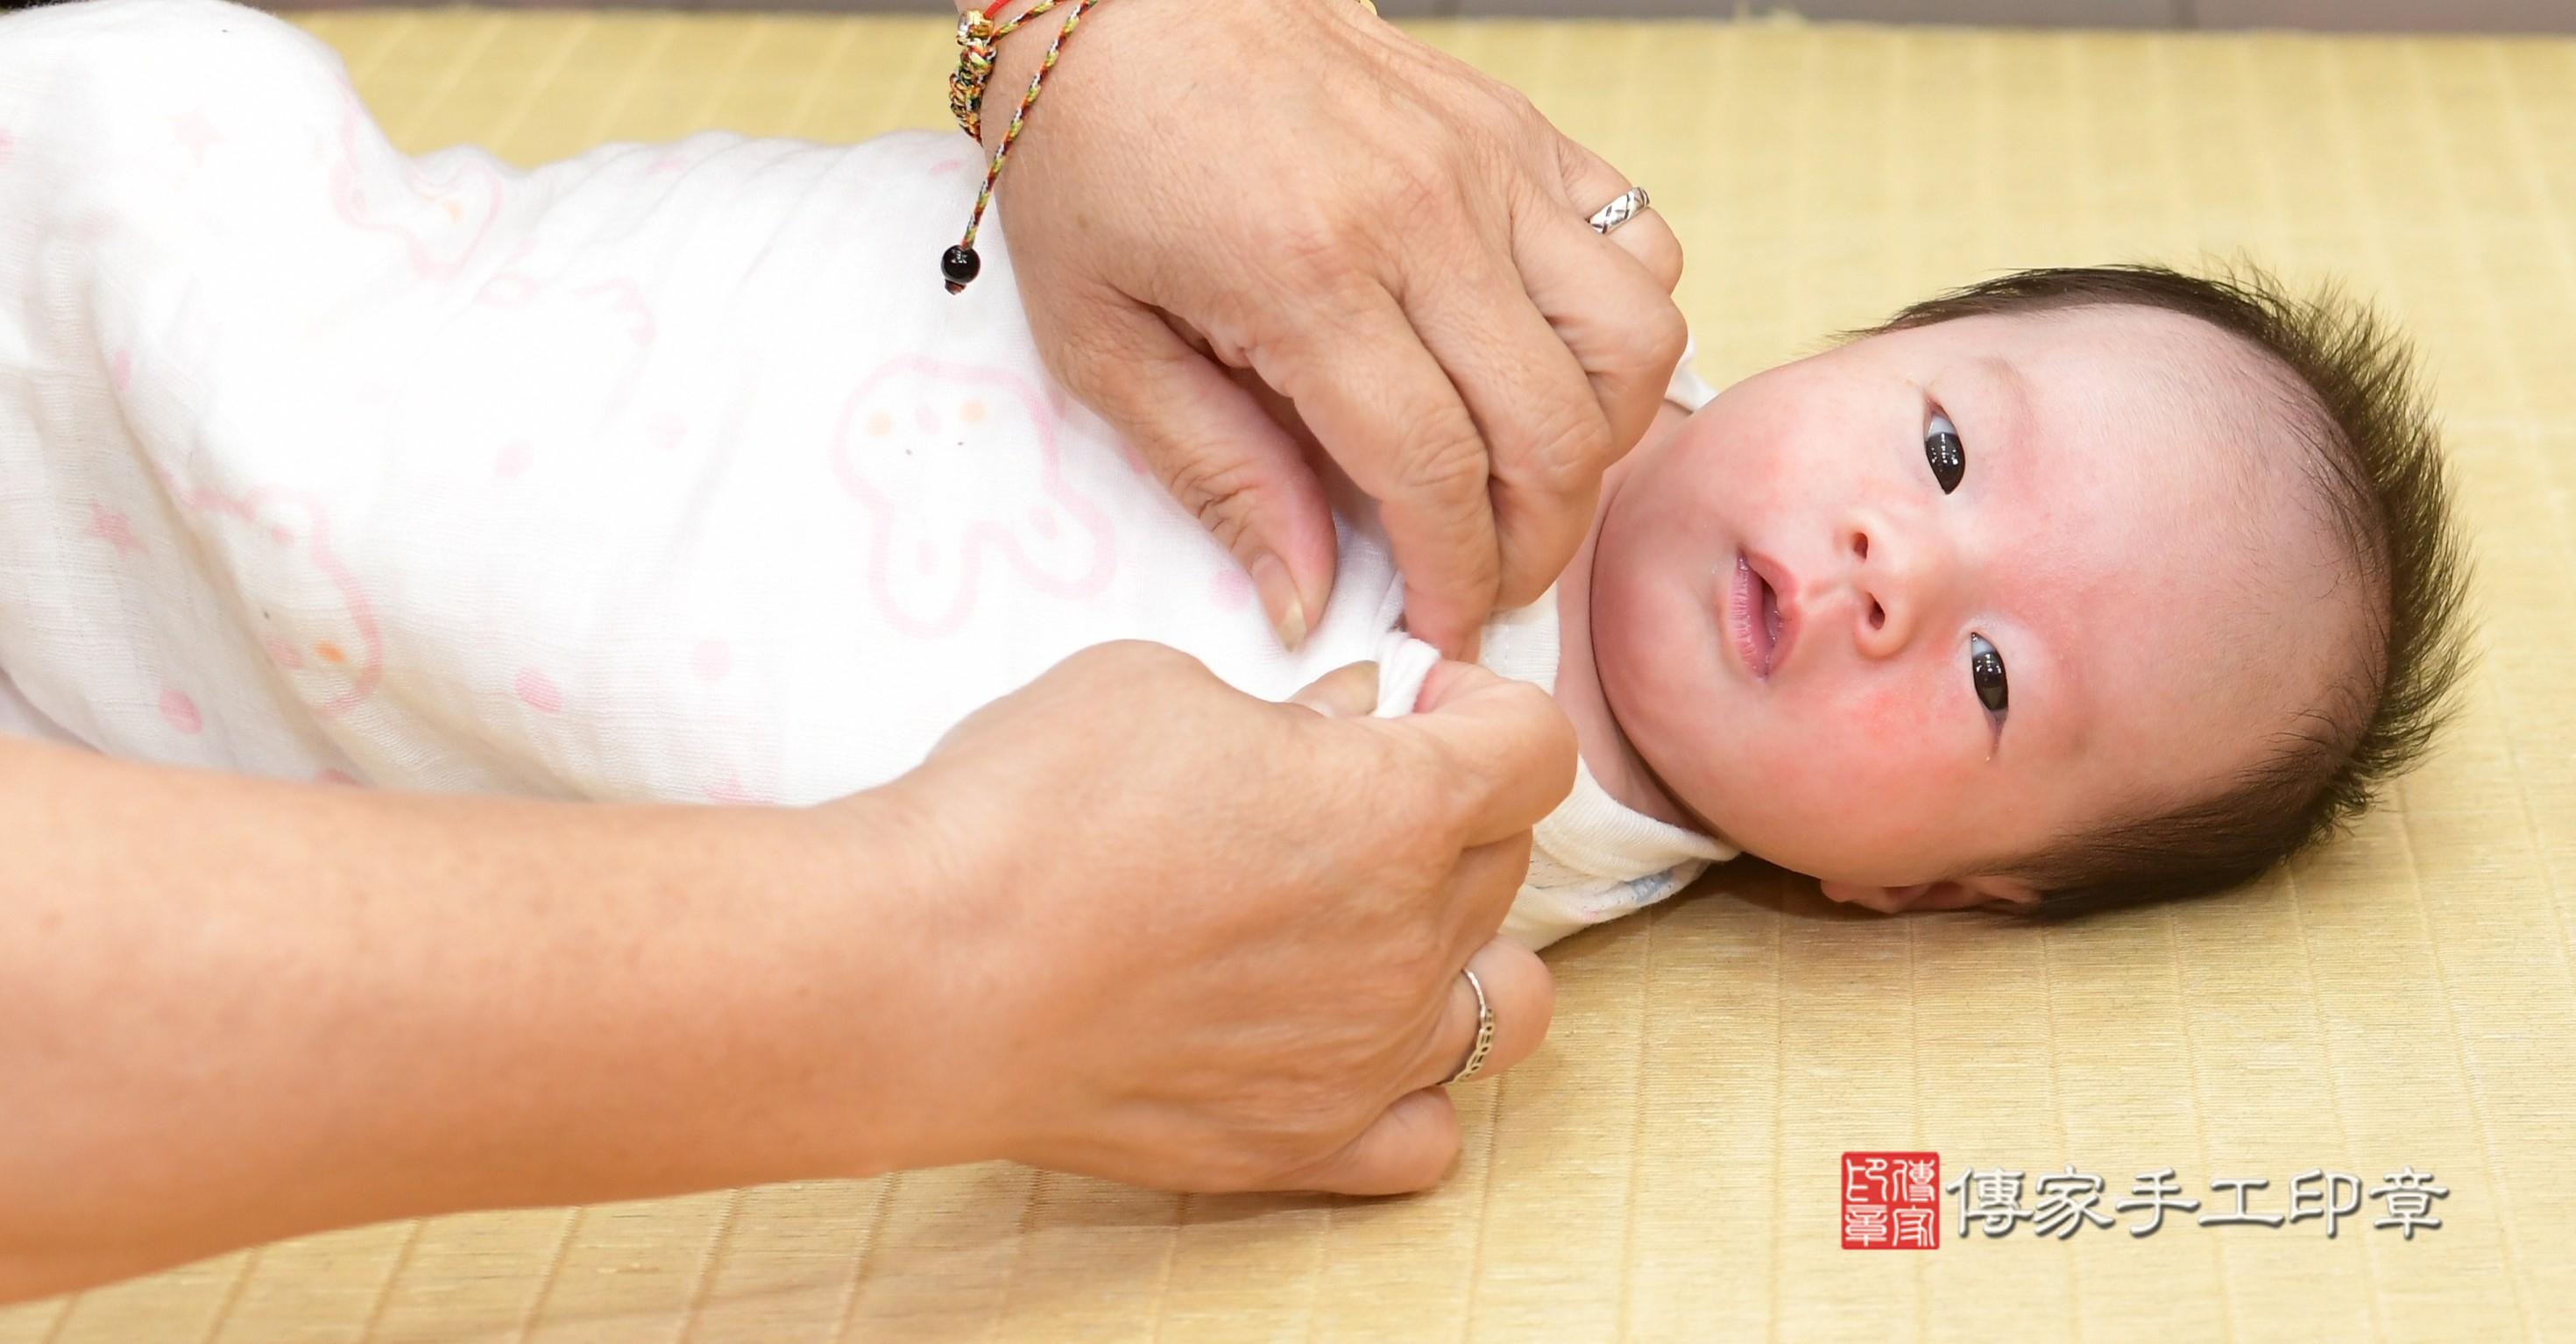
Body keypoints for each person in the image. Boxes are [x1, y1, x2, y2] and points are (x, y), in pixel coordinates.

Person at [0, 0, 1685, 1304]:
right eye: (1946, 445)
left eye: (1974, 686)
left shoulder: (1507, 812)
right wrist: (954, 961)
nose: (1884, 581)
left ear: (1925, 897)